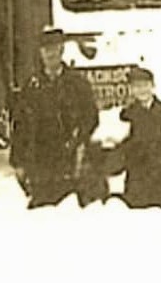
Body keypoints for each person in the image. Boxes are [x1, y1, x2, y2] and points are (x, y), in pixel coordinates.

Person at [10, 28, 98, 208]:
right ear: (40, 53)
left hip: (69, 160)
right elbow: (20, 126)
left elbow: (91, 118)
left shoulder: (77, 84)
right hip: (40, 163)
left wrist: (78, 142)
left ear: (62, 50)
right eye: (46, 49)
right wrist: (18, 162)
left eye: (54, 48)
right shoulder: (31, 87)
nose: (50, 53)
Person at [117, 67, 161, 208]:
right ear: (131, 89)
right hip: (137, 182)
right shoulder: (127, 114)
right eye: (137, 86)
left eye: (145, 85)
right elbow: (122, 148)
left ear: (153, 86)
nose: (142, 90)